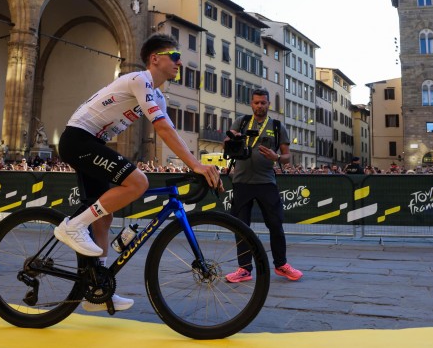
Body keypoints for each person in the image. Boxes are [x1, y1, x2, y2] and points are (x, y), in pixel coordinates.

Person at [53, 34, 222, 312]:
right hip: (78, 139)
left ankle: (97, 288)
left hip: (91, 142)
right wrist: (196, 165)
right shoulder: (139, 80)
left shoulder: (158, 96)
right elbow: (164, 129)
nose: (180, 63)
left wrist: (194, 164)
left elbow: (168, 132)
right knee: (138, 182)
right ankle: (72, 226)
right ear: (155, 59)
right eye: (175, 56)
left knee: (104, 216)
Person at [224, 88, 303, 283]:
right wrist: (233, 139)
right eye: (257, 102)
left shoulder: (277, 126)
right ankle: (244, 268)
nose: (260, 106)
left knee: (275, 224)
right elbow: (226, 144)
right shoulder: (241, 122)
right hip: (241, 182)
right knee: (241, 226)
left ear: (269, 105)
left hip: (266, 182)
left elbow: (286, 157)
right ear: (251, 104)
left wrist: (276, 157)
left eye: (263, 103)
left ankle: (281, 265)